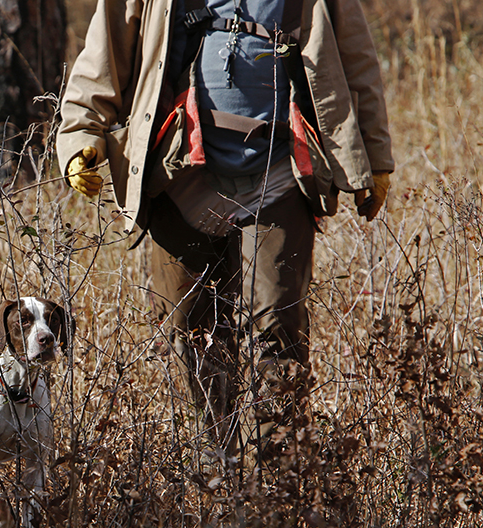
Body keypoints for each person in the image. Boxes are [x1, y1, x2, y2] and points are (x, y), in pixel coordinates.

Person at [57, 0, 393, 465]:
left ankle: (278, 491)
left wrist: (375, 159)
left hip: (281, 171)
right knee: (187, 330)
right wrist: (80, 137)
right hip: (179, 173)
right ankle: (222, 468)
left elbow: (356, 56)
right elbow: (104, 50)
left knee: (278, 331)